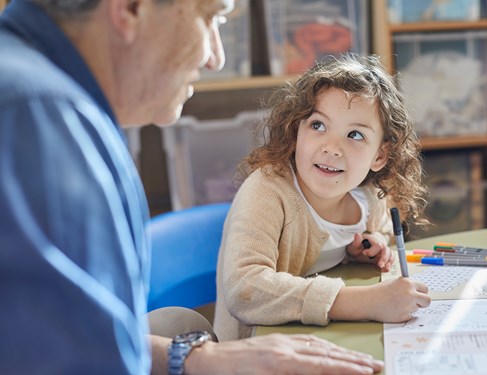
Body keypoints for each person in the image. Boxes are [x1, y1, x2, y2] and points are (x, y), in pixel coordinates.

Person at [0, 0, 384, 373]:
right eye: (211, 18)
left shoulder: (46, 99)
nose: (215, 57)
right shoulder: (36, 117)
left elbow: (72, 335)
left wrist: (199, 359)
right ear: (133, 7)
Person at [214, 54, 432, 341]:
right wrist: (364, 302)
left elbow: (383, 236)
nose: (332, 148)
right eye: (318, 125)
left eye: (354, 134)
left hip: (325, 341)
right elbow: (245, 290)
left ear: (380, 155)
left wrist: (373, 246)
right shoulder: (266, 191)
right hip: (253, 355)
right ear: (296, 132)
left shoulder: (370, 199)